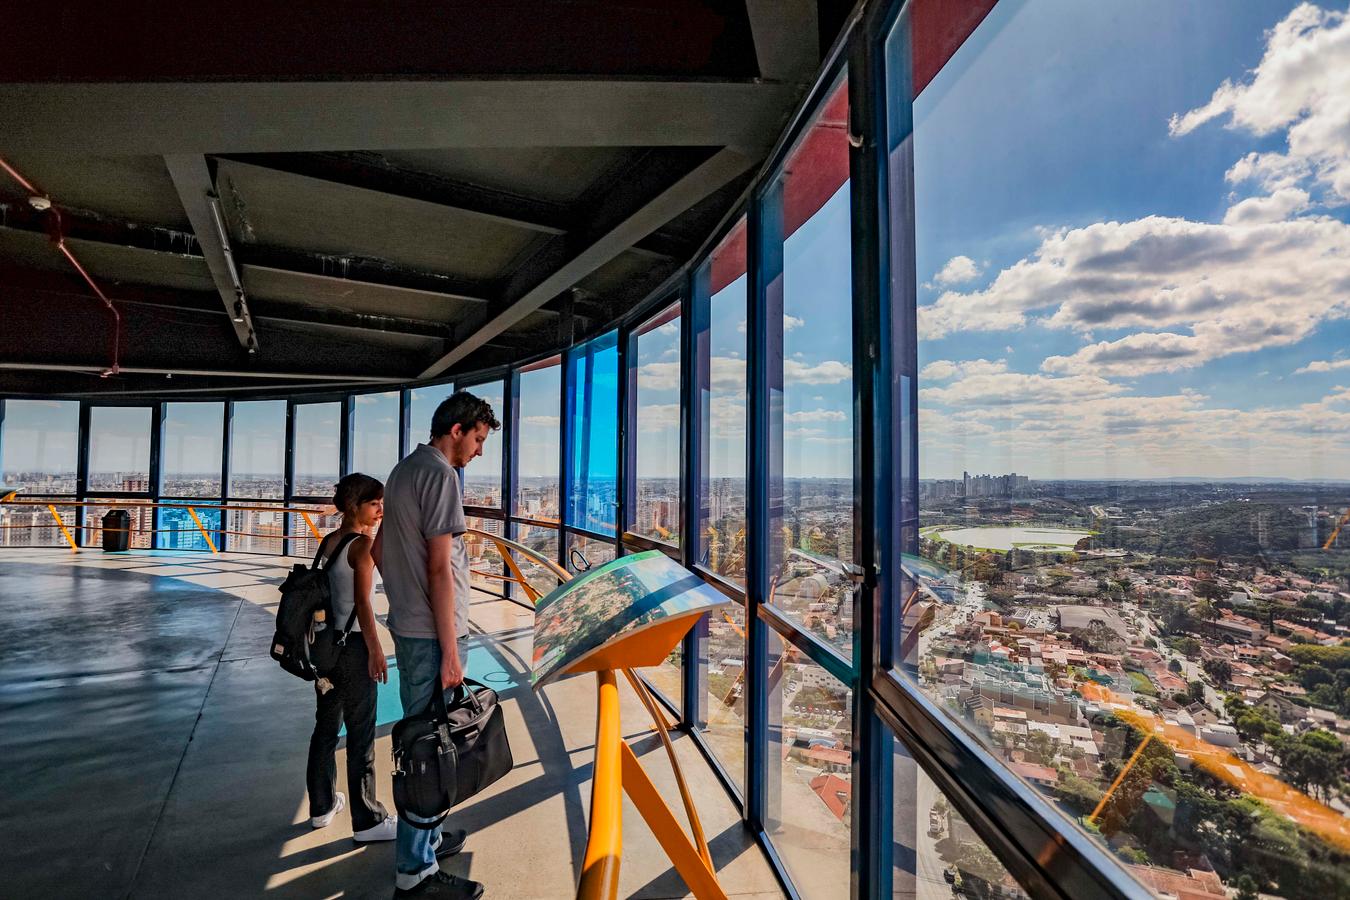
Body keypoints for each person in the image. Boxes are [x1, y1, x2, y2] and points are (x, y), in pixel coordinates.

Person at [374, 390, 499, 899]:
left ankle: (424, 844)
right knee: (429, 749)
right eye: (479, 439)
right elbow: (440, 571)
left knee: (421, 735)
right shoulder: (442, 476)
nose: (479, 451)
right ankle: (415, 874)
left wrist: (405, 599)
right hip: (432, 634)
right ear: (458, 429)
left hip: (409, 625)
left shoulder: (403, 471)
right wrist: (450, 649)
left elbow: (380, 548)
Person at [305, 473, 397, 843]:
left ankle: (322, 806)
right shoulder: (361, 547)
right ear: (355, 506)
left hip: (326, 648)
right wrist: (377, 650)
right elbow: (363, 604)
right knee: (361, 734)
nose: (380, 510)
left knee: (326, 729)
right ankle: (368, 820)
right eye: (374, 503)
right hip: (354, 649)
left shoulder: (329, 541)